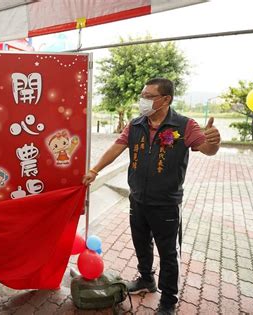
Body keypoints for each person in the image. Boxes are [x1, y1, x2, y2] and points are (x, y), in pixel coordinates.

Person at [83, 78, 221, 315]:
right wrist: (95, 169)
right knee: (141, 243)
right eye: (143, 95)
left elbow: (207, 149)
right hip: (137, 199)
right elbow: (116, 148)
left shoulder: (184, 126)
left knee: (168, 254)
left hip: (166, 203)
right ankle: (146, 279)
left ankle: (168, 300)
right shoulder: (136, 124)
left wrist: (213, 143)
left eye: (149, 96)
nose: (143, 100)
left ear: (166, 99)